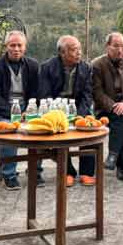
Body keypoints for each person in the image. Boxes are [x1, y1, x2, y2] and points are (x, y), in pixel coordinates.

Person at [0, 30, 41, 190]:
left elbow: (36, 92)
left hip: (27, 108)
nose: (16, 49)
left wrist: (28, 110)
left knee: (40, 129)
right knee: (8, 131)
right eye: (12, 45)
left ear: (25, 47)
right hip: (2, 109)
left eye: (19, 45)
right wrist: (13, 112)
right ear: (6, 46)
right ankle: (9, 175)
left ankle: (35, 170)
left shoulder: (33, 65)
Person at [39, 35, 96, 184]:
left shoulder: (86, 68)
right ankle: (67, 171)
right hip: (55, 108)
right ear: (62, 52)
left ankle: (86, 172)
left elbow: (87, 95)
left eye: (79, 49)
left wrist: (79, 115)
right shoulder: (47, 67)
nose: (79, 53)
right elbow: (45, 95)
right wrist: (58, 115)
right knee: (56, 132)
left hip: (78, 107)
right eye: (74, 50)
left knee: (90, 127)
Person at [91, 32, 123, 182]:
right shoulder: (97, 64)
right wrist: (113, 105)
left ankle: (113, 156)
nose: (120, 50)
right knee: (119, 118)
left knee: (120, 116)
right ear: (107, 47)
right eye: (116, 46)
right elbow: (97, 91)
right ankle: (121, 165)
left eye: (122, 46)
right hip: (106, 107)